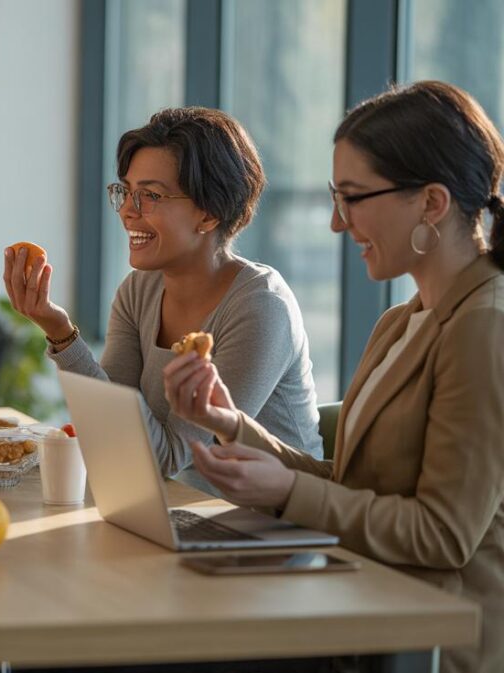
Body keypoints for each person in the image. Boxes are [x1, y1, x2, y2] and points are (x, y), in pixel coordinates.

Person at [164, 81, 504, 673]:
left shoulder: (484, 329)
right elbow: (353, 483)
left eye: (352, 197)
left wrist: (286, 492)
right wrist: (230, 424)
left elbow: (443, 537)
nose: (334, 223)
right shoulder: (404, 321)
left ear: (431, 203)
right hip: (358, 604)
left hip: (424, 641)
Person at [4, 107, 322, 491]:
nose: (126, 211)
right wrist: (56, 329)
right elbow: (115, 434)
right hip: (171, 510)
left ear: (208, 215)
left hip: (269, 526)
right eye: (126, 191)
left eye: (150, 195)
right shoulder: (139, 290)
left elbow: (167, 458)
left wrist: (63, 335)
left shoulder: (261, 307)